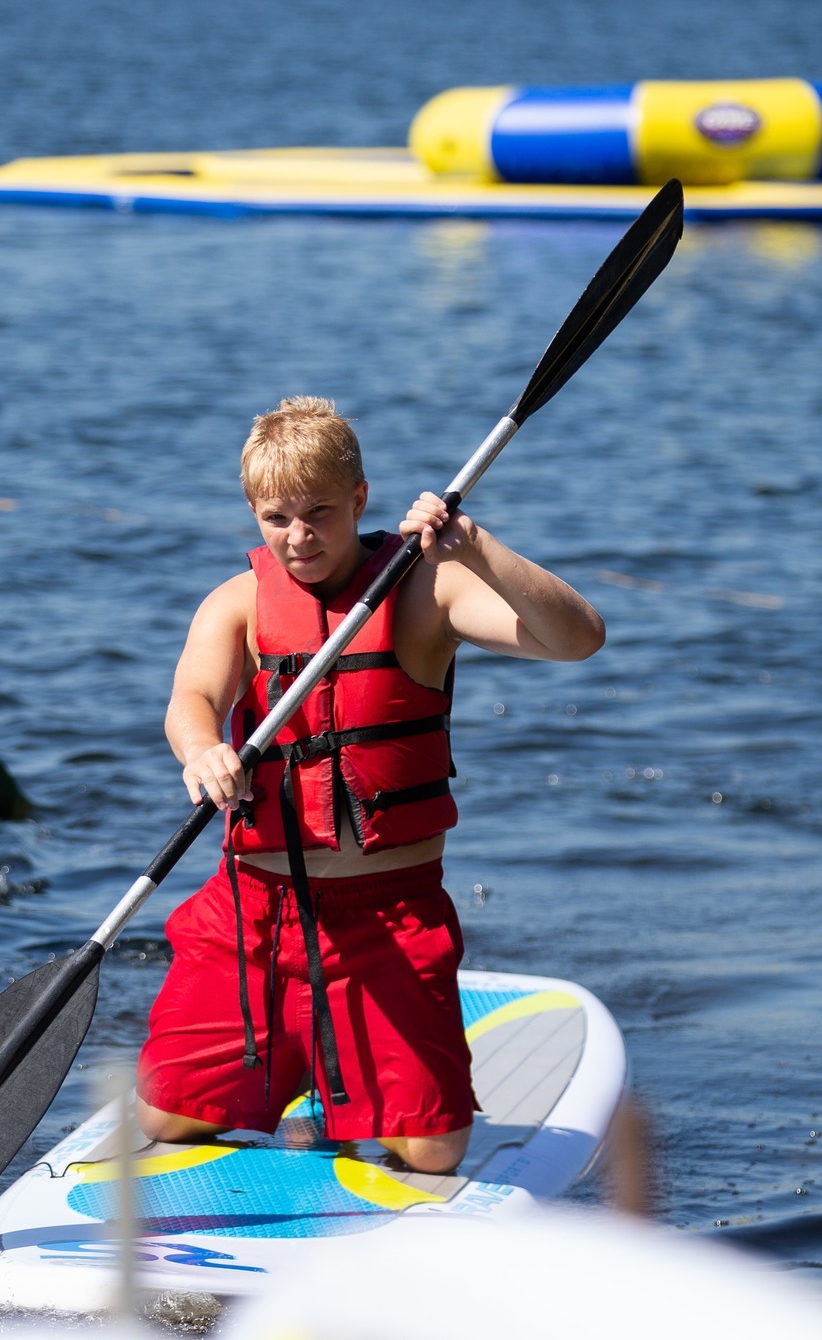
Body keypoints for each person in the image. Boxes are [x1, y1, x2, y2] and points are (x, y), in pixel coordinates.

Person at [137, 396, 606, 1173]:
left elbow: (577, 639)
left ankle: (334, 1079)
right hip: (255, 914)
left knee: (432, 1151)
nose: (299, 536)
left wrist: (477, 548)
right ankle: (305, 1067)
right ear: (254, 513)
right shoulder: (237, 604)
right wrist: (201, 750)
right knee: (166, 1115)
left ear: (359, 499)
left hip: (388, 918)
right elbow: (191, 699)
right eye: (277, 517)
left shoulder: (424, 591)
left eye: (320, 512)